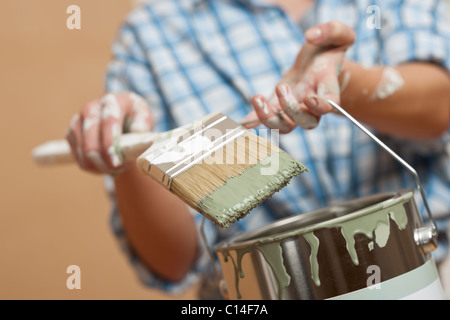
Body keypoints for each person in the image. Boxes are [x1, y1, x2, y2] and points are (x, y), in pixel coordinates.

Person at [65, 0, 450, 297]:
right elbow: (173, 263)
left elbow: (439, 107)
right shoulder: (152, 31)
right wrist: (129, 154)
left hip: (426, 272)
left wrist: (342, 84)